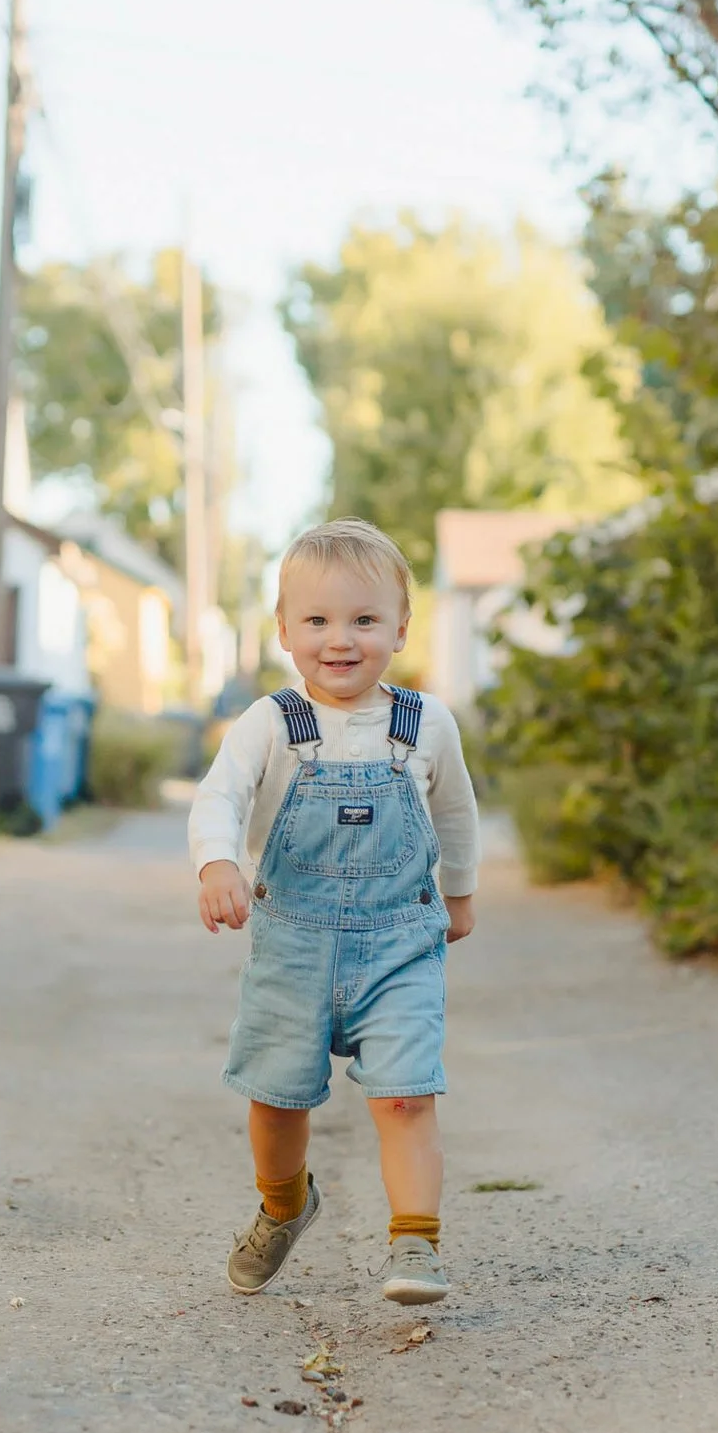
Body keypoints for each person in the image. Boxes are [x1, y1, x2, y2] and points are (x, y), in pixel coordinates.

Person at [191, 520, 481, 1306]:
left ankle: (415, 1239)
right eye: (316, 620)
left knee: (405, 1092)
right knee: (276, 1096)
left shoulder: (425, 724)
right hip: (292, 947)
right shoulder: (272, 723)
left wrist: (459, 889)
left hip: (399, 945)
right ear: (284, 629)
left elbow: (455, 814)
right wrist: (218, 860)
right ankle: (285, 1204)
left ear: (399, 628)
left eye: (362, 619)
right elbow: (221, 796)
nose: (339, 640)